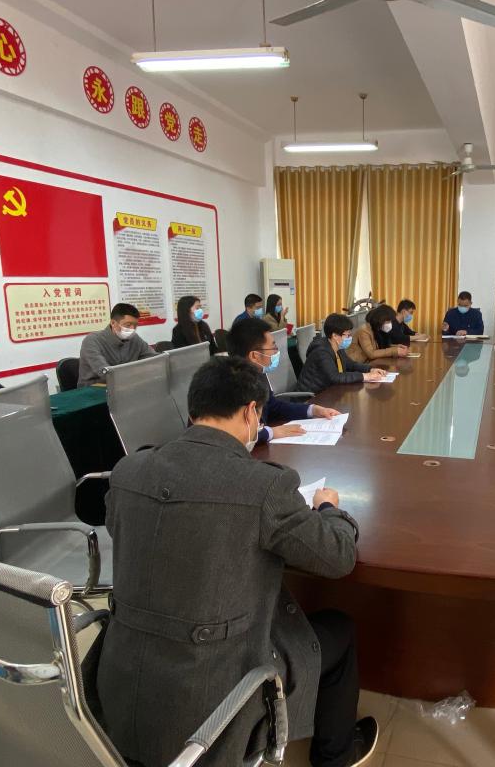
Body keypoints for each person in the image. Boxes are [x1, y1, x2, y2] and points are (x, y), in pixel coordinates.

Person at [97, 356, 378, 767]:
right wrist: (329, 510)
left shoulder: (128, 470)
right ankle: (335, 756)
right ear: (251, 413)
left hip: (119, 681)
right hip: (213, 695)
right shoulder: (265, 486)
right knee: (340, 628)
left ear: (194, 407)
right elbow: (337, 557)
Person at [229, 317, 341, 445]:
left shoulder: (258, 374)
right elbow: (235, 433)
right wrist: (271, 432)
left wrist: (313, 410)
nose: (276, 351)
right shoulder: (231, 385)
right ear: (254, 356)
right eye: (273, 347)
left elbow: (274, 407)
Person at [298, 314, 386, 394]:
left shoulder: (337, 347)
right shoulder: (321, 352)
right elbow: (335, 377)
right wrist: (365, 376)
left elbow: (351, 365)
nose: (350, 338)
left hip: (329, 392)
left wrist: (370, 369)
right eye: (347, 335)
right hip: (310, 398)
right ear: (335, 336)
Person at [77, 303, 157, 387]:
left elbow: (155, 359)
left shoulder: (134, 338)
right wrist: (138, 371)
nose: (132, 329)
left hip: (126, 385)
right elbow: (106, 373)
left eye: (135, 325)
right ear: (113, 323)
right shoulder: (92, 340)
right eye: (128, 325)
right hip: (94, 388)